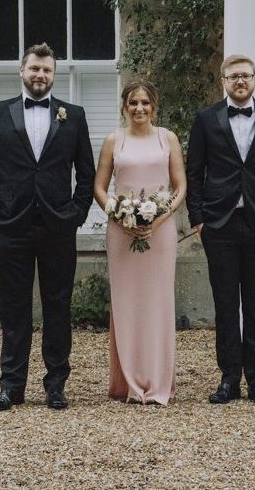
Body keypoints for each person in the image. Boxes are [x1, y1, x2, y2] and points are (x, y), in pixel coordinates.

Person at [0, 42, 95, 411]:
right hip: (11, 227)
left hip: (58, 227)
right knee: (14, 310)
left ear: (53, 74)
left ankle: (56, 385)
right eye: (34, 69)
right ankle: (11, 386)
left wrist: (76, 214)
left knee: (58, 307)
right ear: (21, 71)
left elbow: (86, 173)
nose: (40, 75)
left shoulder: (72, 115)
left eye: (46, 70)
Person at [186, 54, 255, 405]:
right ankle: (229, 378)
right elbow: (194, 171)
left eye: (246, 76)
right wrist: (197, 217)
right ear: (223, 81)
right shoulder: (205, 118)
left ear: (254, 80)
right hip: (219, 222)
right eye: (234, 76)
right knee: (226, 302)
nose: (240, 81)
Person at [93, 80, 186, 405]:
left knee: (159, 302)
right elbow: (100, 187)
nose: (139, 108)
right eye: (133, 103)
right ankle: (128, 381)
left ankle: (159, 381)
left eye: (145, 103)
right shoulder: (113, 141)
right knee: (127, 302)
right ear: (124, 106)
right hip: (122, 234)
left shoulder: (167, 138)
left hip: (160, 235)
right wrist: (120, 215)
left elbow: (180, 186)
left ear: (154, 106)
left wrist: (158, 219)